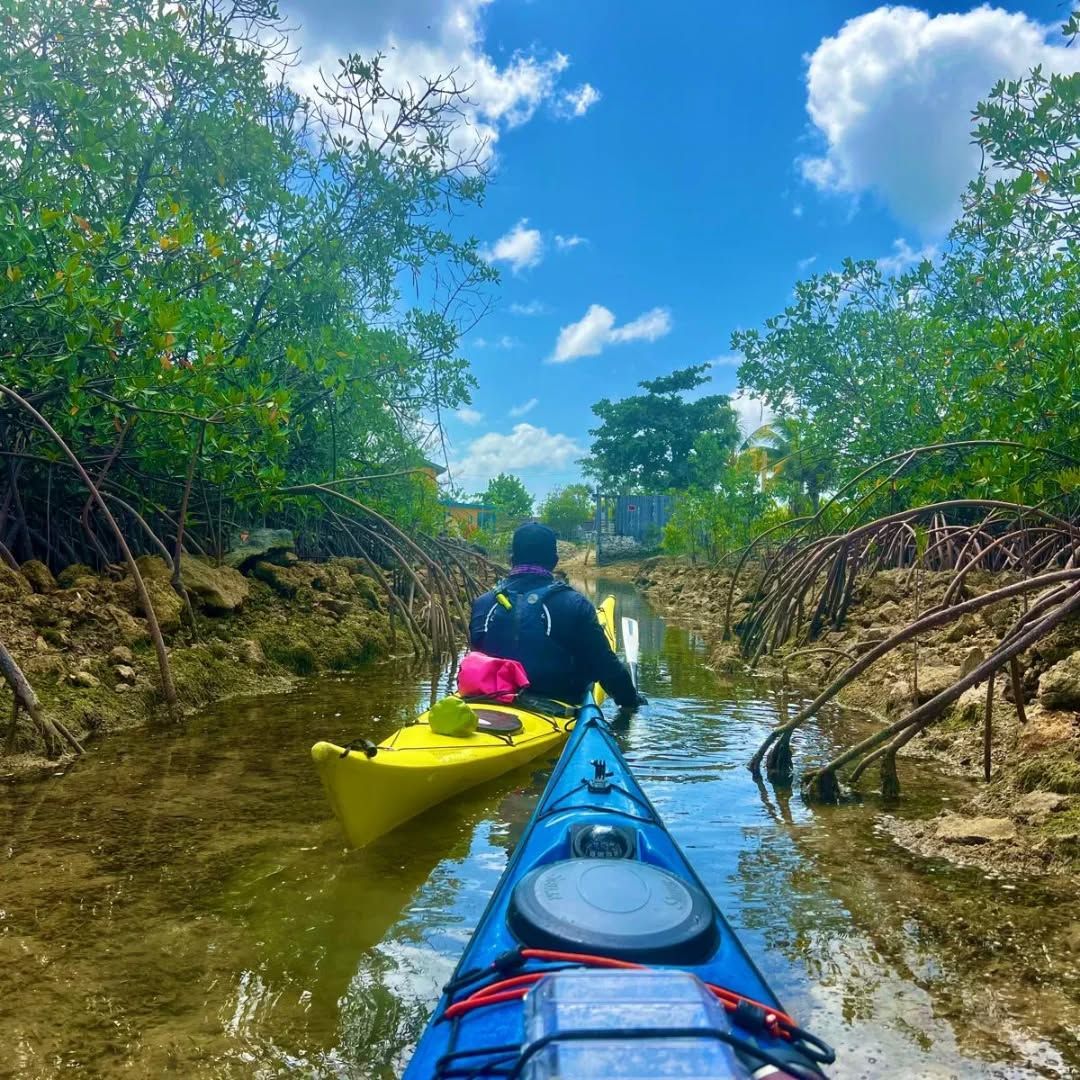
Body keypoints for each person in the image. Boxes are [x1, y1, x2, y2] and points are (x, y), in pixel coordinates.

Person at [469, 522, 644, 710]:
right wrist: (631, 702)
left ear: (512, 559)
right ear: (554, 561)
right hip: (555, 708)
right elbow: (606, 668)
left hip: (487, 703)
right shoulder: (576, 605)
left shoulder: (483, 603)